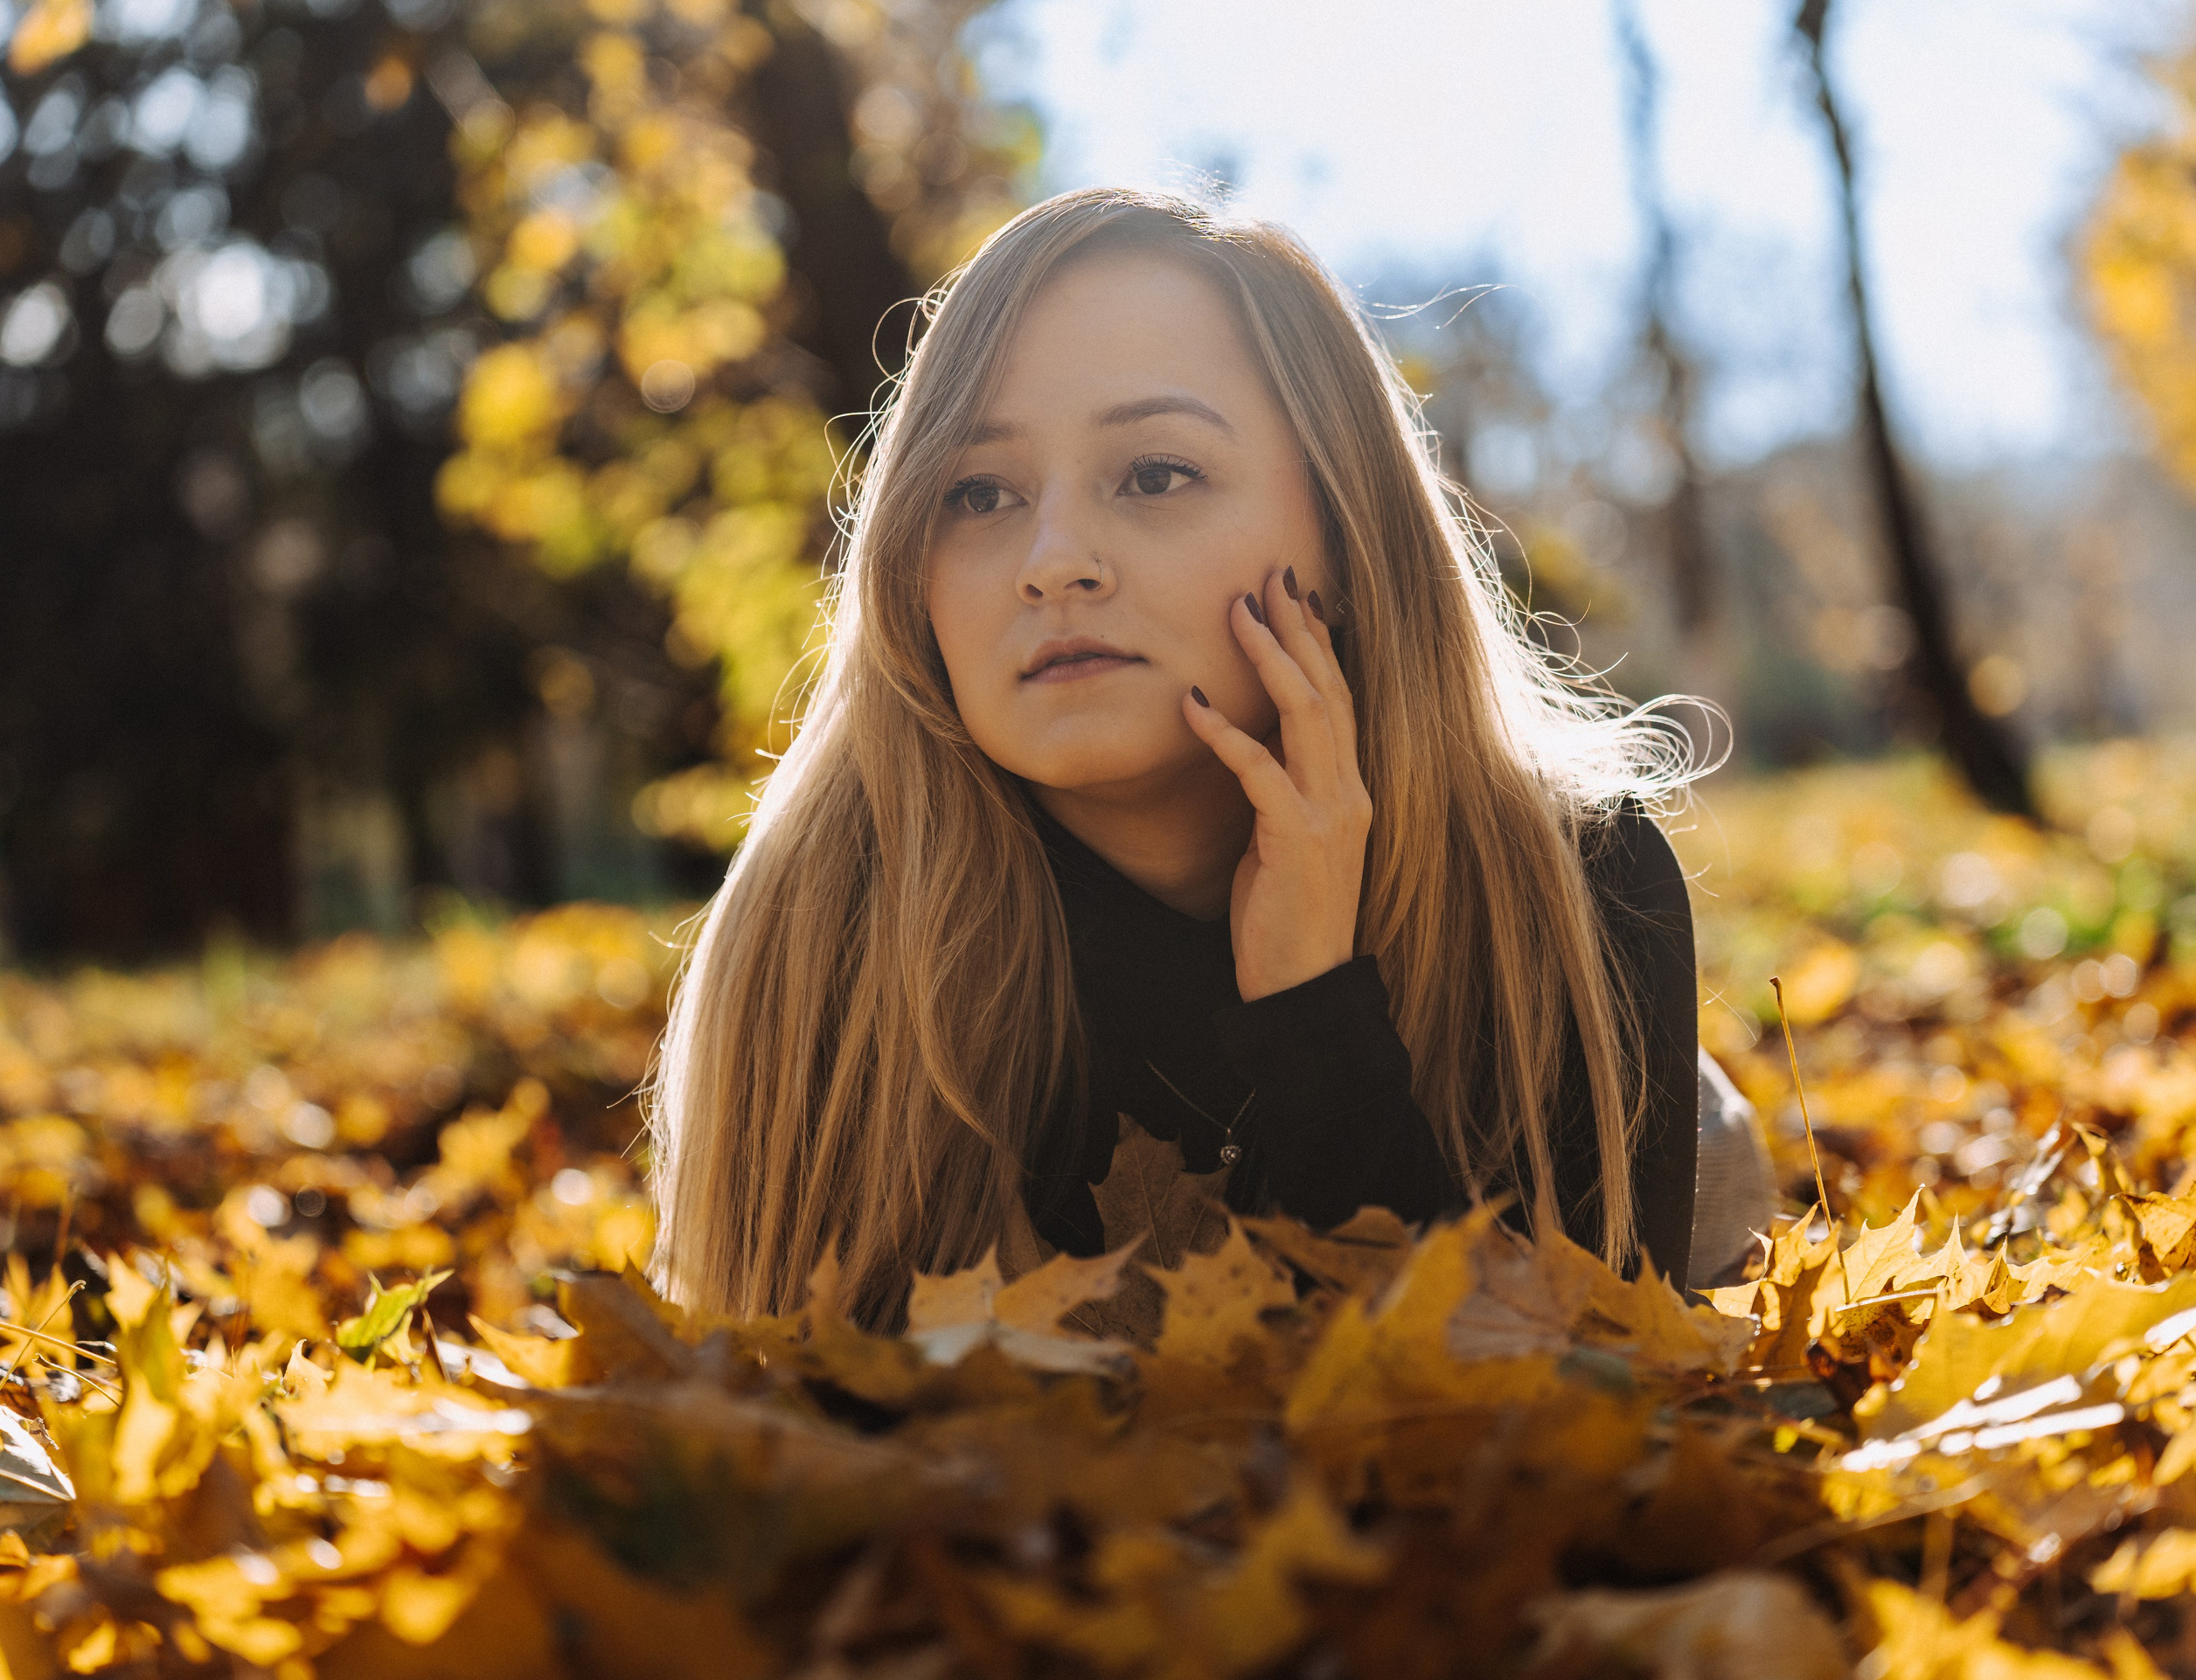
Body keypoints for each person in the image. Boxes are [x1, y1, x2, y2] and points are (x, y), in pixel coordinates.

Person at [648, 186, 1718, 1333]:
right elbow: (797, 1452)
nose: (1054, 561)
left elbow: (1538, 1455)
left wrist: (1317, 1015)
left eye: (1155, 474)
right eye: (980, 492)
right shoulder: (822, 927)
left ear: (1347, 537)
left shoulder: (1574, 892)